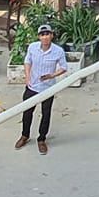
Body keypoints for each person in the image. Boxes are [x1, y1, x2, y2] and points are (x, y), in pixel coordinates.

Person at [19, 22, 68, 153]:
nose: (45, 37)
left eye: (47, 34)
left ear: (51, 36)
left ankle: (41, 139)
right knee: (27, 112)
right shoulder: (32, 47)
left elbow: (64, 67)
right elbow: (27, 61)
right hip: (32, 86)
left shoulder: (58, 51)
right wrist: (27, 76)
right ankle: (24, 136)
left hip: (48, 88)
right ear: (39, 37)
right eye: (42, 35)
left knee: (46, 114)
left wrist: (52, 75)